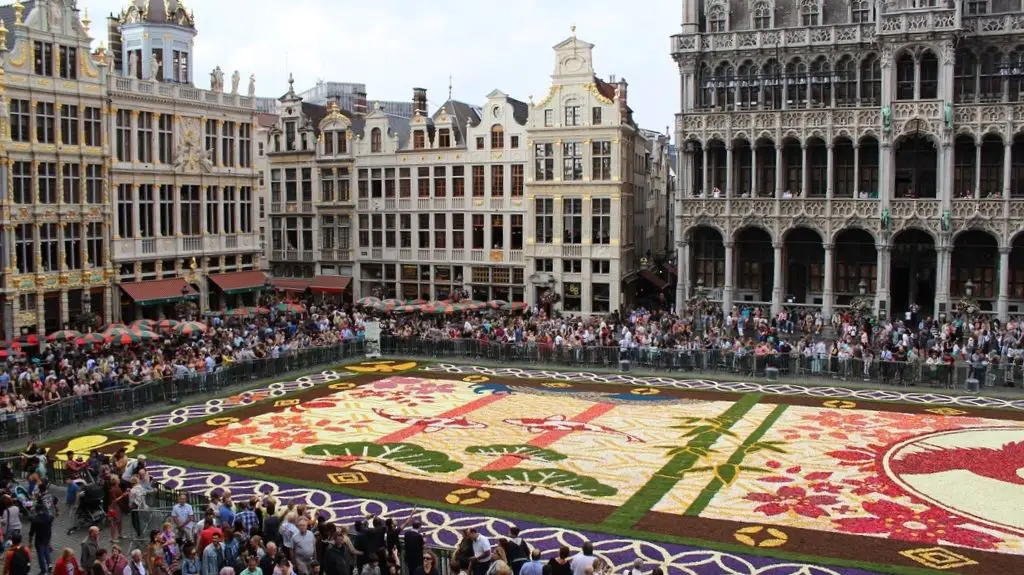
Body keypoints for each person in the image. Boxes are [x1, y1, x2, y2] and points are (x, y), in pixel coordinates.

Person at [28, 504, 53, 575]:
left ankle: (43, 570)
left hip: (39, 540)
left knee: (41, 555)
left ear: (36, 510)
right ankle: (50, 565)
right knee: (47, 552)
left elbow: (31, 532)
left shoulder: (35, 520)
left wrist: (30, 542)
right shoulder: (49, 517)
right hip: (47, 538)